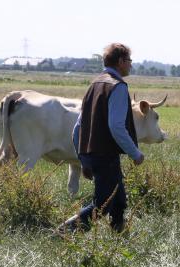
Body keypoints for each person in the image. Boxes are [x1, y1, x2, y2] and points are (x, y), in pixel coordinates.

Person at [58, 43, 144, 233]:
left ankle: (120, 241)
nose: (130, 65)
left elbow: (77, 128)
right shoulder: (118, 87)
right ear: (120, 61)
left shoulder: (94, 84)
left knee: (119, 202)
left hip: (94, 156)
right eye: (129, 61)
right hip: (106, 156)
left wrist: (84, 159)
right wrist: (135, 153)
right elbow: (116, 127)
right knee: (102, 205)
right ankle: (64, 232)